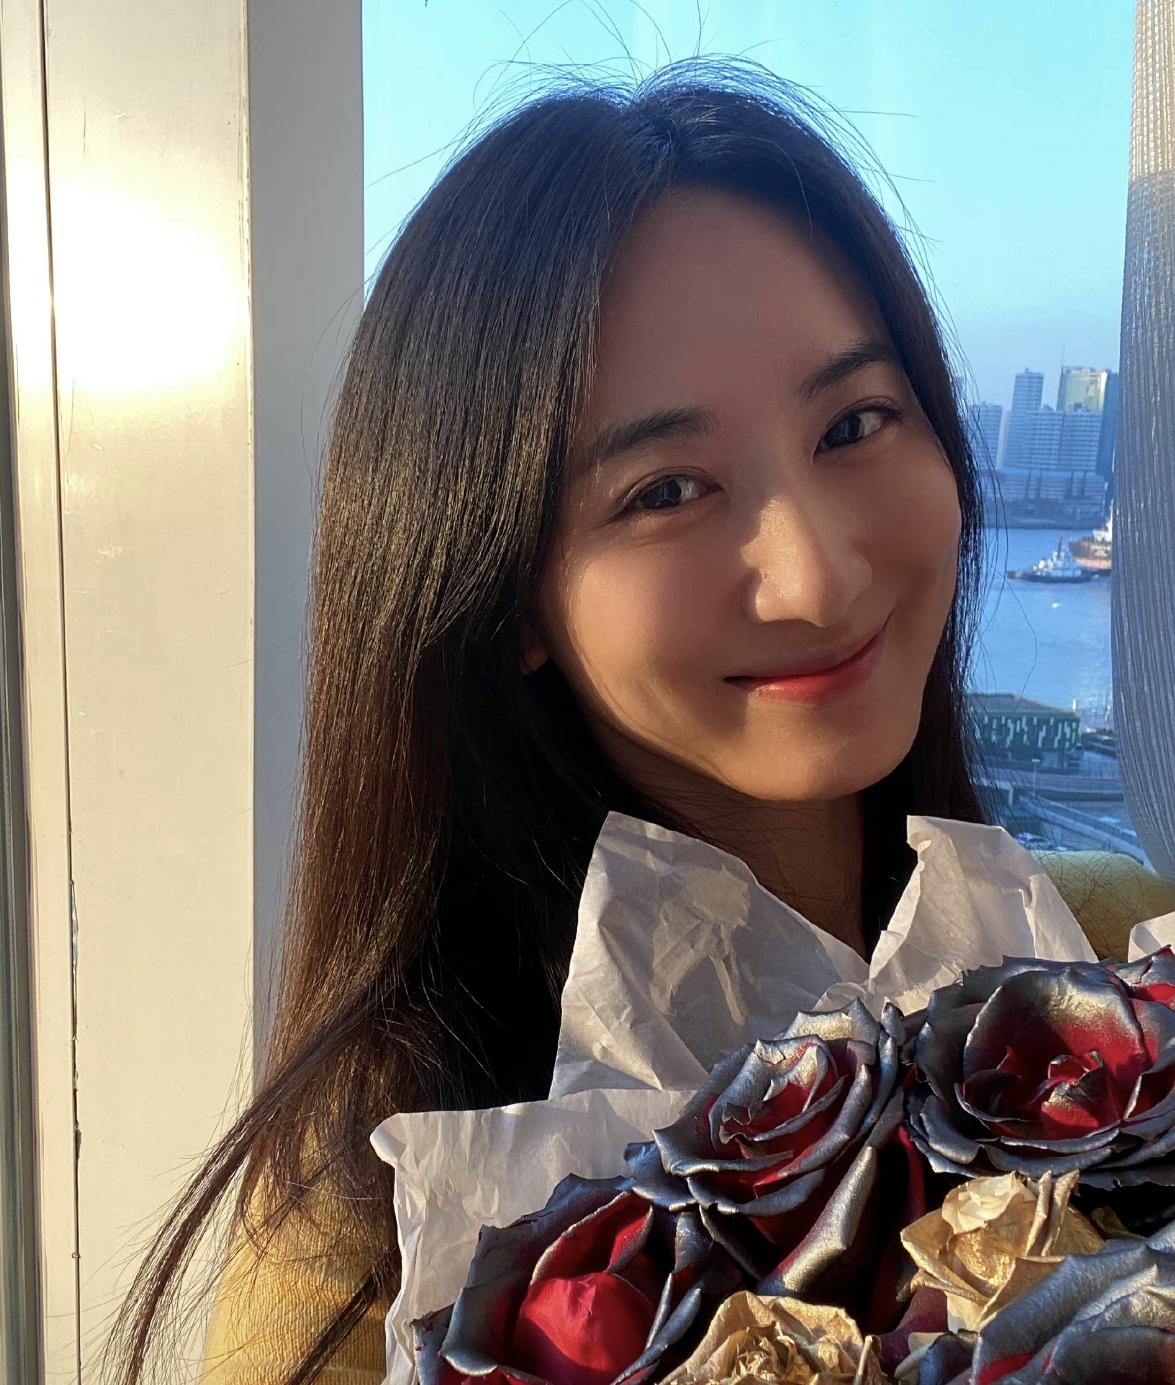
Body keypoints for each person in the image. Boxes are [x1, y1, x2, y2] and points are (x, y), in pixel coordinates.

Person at [106, 60, 1175, 1385]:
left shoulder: (1120, 950)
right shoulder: (379, 1192)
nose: (817, 576)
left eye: (856, 421)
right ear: (506, 592)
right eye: (666, 490)